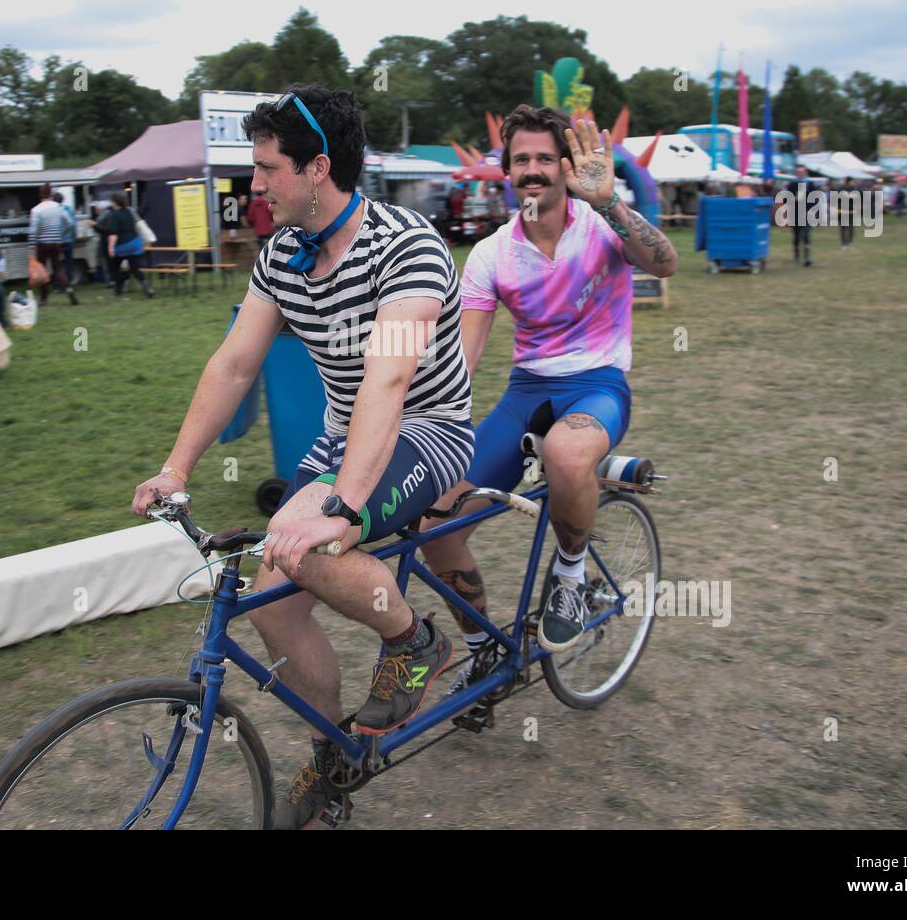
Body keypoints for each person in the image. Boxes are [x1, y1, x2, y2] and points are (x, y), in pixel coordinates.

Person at [130, 84, 474, 829]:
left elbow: (389, 376)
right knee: (274, 602)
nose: (254, 185)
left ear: (317, 168)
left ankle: (416, 639)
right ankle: (333, 753)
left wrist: (340, 507)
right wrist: (177, 467)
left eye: (266, 168)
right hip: (345, 431)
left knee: (303, 538)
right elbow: (232, 364)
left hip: (428, 427)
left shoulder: (407, 244)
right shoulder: (282, 254)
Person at [419, 105, 676, 690]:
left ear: (564, 164)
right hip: (526, 394)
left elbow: (665, 264)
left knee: (565, 454)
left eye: (543, 157)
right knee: (435, 520)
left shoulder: (603, 223)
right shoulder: (490, 255)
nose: (533, 169)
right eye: (521, 159)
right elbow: (463, 356)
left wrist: (611, 201)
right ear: (508, 171)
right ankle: (484, 649)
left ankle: (571, 577)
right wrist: (422, 422)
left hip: (598, 384)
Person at [93, 192, 153, 298]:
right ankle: (147, 287)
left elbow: (113, 234)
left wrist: (111, 248)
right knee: (135, 269)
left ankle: (118, 291)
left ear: (114, 202)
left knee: (114, 268)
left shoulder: (113, 215)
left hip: (122, 245)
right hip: (135, 243)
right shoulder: (130, 212)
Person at [29, 183, 78, 305]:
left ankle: (44, 299)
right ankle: (69, 288)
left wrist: (31, 249)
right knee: (58, 269)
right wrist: (61, 234)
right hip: (56, 242)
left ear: (40, 194)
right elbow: (70, 223)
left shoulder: (36, 210)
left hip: (42, 243)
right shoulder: (59, 207)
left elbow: (33, 231)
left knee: (43, 271)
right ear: (51, 193)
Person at [787, 165, 813, 266]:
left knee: (806, 235)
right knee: (796, 236)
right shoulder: (792, 184)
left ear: (805, 173)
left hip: (807, 213)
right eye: (798, 172)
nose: (800, 174)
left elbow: (815, 198)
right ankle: (797, 256)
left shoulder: (810, 184)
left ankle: (807, 258)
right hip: (795, 213)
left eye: (802, 172)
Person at [54, 191, 77, 284]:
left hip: (57, 241)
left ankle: (58, 284)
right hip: (68, 240)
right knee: (69, 263)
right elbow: (73, 225)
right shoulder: (69, 209)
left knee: (56, 263)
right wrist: (74, 237)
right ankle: (69, 283)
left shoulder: (52, 211)